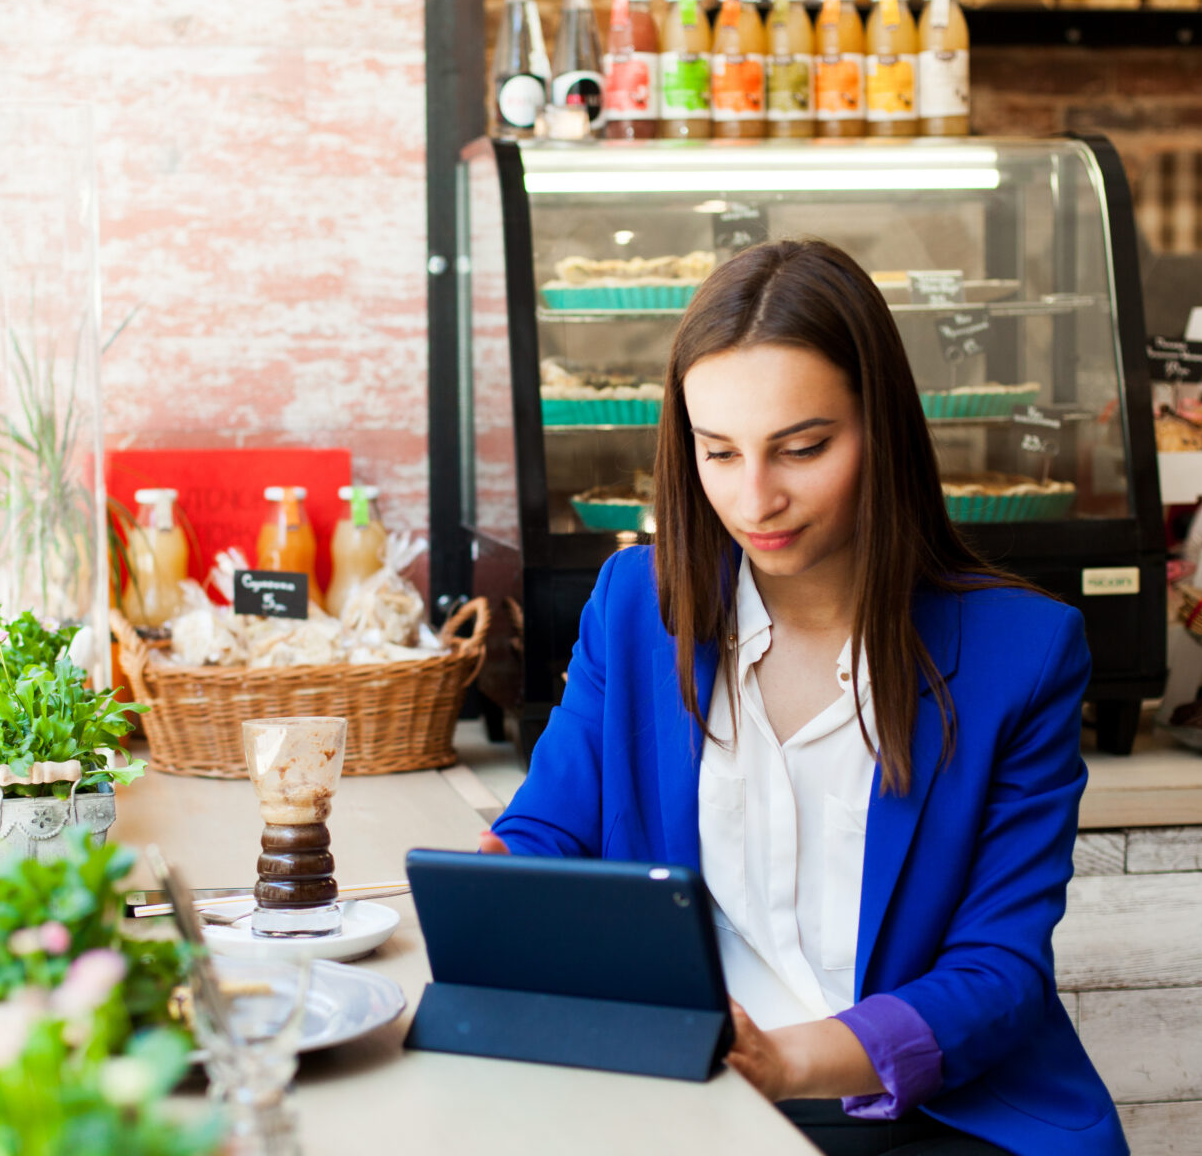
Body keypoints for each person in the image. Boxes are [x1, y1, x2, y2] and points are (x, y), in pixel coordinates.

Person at [482, 240, 1127, 1156]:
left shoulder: (1019, 653)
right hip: (688, 1098)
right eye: (719, 452)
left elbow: (1000, 973)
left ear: (883, 431)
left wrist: (786, 1063)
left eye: (803, 449)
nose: (756, 499)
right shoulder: (637, 606)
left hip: (921, 1108)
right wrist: (501, 875)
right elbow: (552, 830)